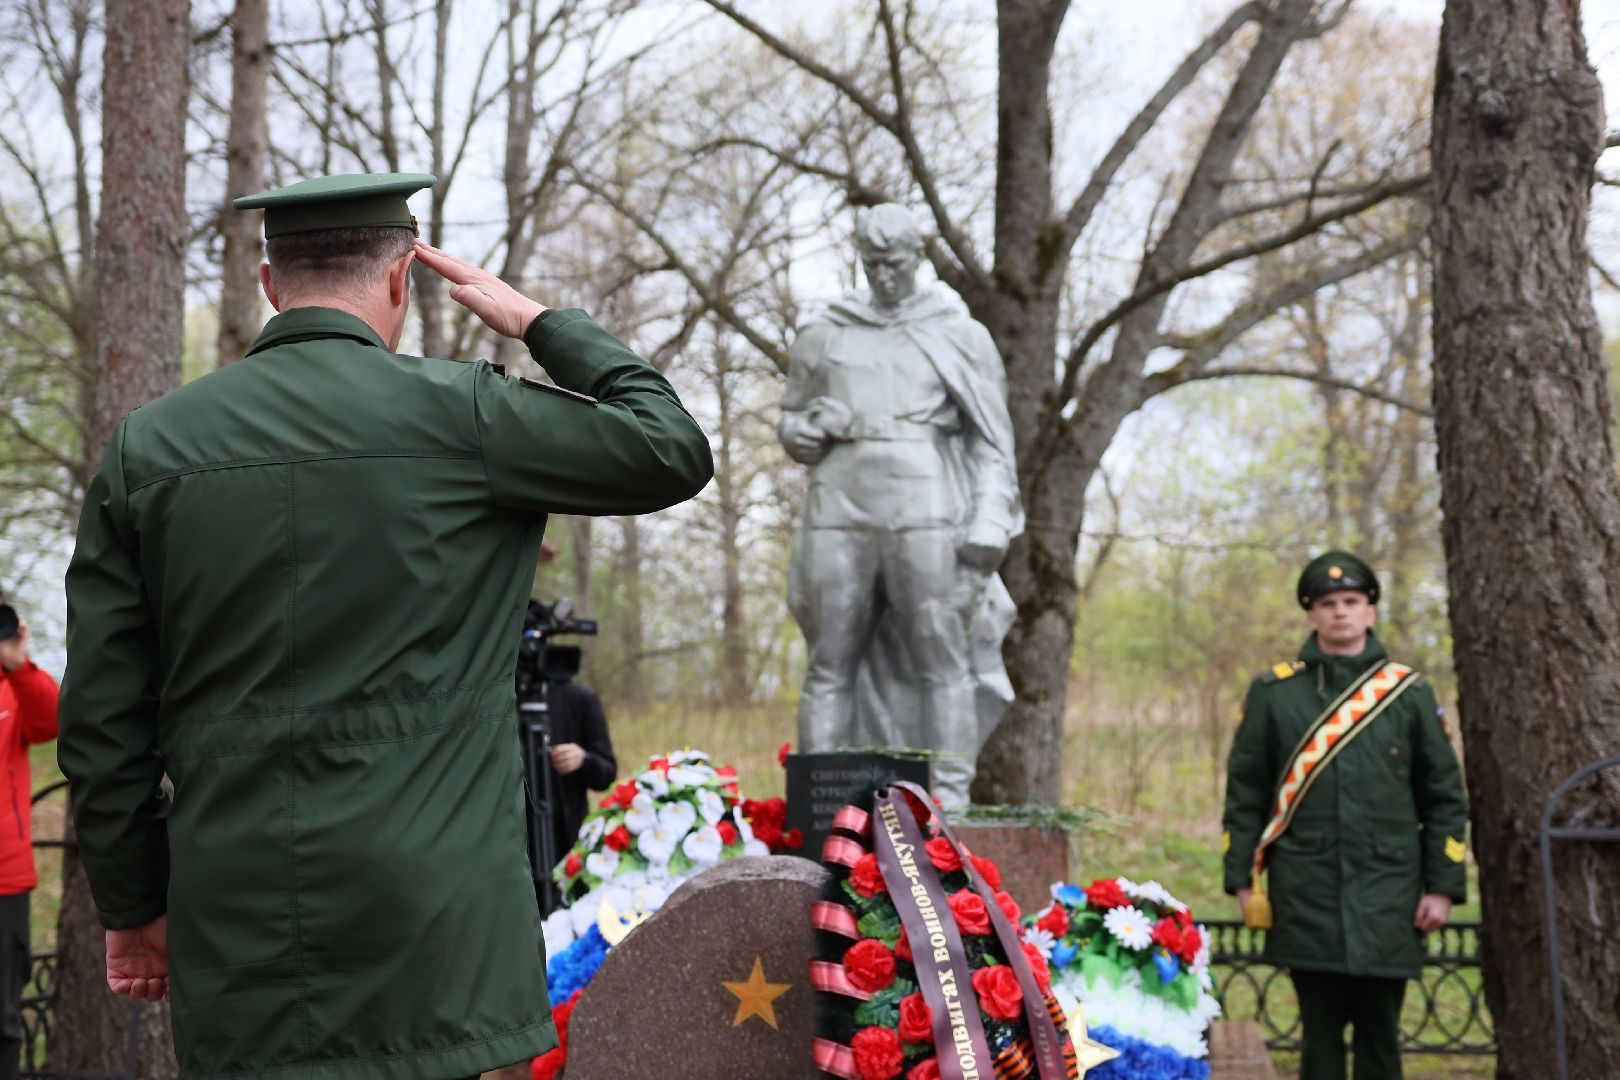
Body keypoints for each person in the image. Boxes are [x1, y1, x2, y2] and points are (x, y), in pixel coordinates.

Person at [58, 173, 713, 1080]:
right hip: (436, 933)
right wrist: (537, 322)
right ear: (405, 277)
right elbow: (671, 448)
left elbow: (101, 719)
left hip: (237, 917)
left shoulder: (149, 448)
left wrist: (132, 906)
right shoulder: (470, 417)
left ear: (270, 285)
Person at [778, 204, 1023, 806]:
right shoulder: (825, 332)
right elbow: (791, 420)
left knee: (942, 660)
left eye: (896, 263)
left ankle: (951, 806)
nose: (884, 275)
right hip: (839, 503)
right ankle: (823, 810)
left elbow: (993, 439)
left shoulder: (959, 333)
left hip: (927, 503)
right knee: (829, 662)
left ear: (919, 258)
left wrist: (991, 516)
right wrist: (804, 431)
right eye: (873, 263)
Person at [1222, 551, 1469, 1080]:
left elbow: (1444, 797)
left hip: (1392, 890)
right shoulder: (1274, 694)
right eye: (1328, 603)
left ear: (1371, 611)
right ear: (1311, 614)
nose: (1341, 613)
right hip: (1305, 888)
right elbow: (1245, 795)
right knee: (1319, 1036)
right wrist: (1243, 881)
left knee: (1381, 1033)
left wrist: (1443, 887)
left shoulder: (1409, 694)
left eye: (1352, 602)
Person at [0, 593, 57, 1080]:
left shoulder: (12, 686)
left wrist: (18, 663)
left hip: (5, 879)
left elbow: (52, 723)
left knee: (4, 1019)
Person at [534, 645, 615, 865]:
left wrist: (584, 759)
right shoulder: (499, 700)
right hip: (515, 840)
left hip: (568, 841)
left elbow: (607, 774)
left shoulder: (581, 699)